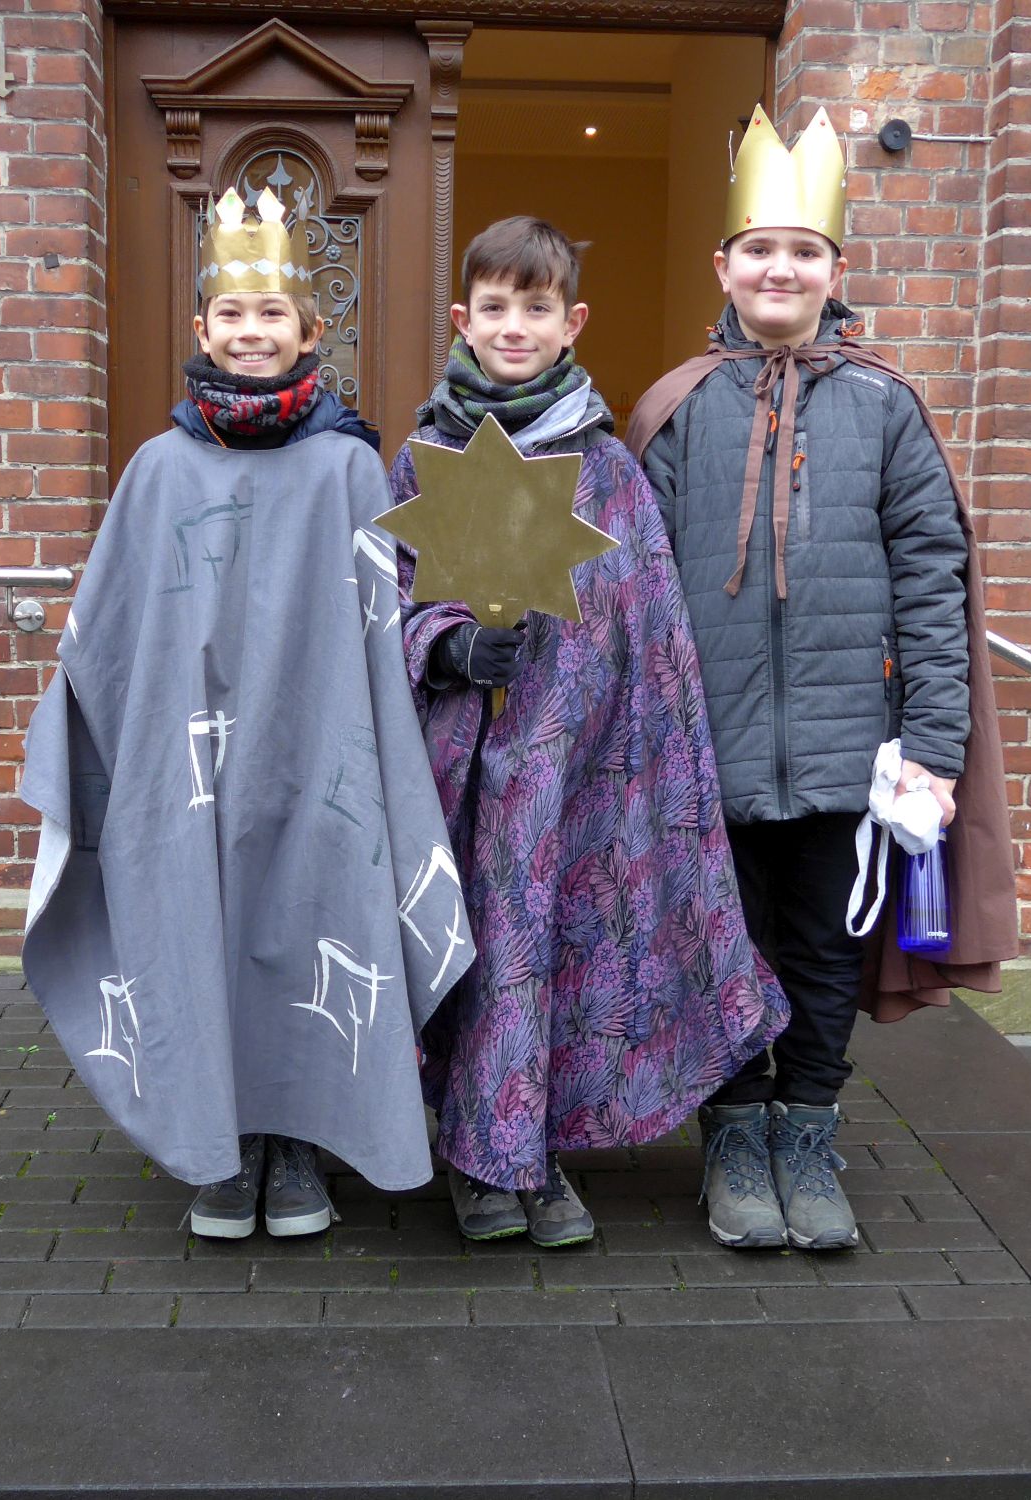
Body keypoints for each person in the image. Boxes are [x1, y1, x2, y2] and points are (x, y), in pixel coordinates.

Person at [19, 187, 473, 1242]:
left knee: (312, 921)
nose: (251, 331)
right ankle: (220, 1144)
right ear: (202, 329)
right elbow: (110, 625)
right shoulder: (158, 468)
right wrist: (84, 743)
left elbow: (383, 622)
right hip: (187, 763)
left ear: (311, 334)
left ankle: (297, 1140)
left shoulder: (348, 467)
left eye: (273, 314)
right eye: (232, 313)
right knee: (197, 927)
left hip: (318, 752)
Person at [628, 108, 1017, 1250]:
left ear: (835, 271)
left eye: (804, 250)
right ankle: (732, 1143)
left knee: (821, 953)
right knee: (721, 946)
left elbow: (933, 581)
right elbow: (637, 594)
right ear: (723, 265)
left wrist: (934, 750)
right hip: (708, 749)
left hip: (853, 755)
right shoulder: (675, 408)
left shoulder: (886, 407)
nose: (780, 268)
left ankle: (804, 1133)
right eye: (760, 248)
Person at [394, 215, 791, 1249]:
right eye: (494, 307)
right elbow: (386, 597)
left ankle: (534, 1153)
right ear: (462, 319)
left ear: (570, 322)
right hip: (462, 767)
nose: (512, 327)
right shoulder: (424, 456)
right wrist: (449, 646)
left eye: (535, 308)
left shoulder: (607, 467)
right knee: (478, 955)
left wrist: (622, 747)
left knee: (549, 957)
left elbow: (645, 620)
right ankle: (477, 1158)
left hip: (575, 766)